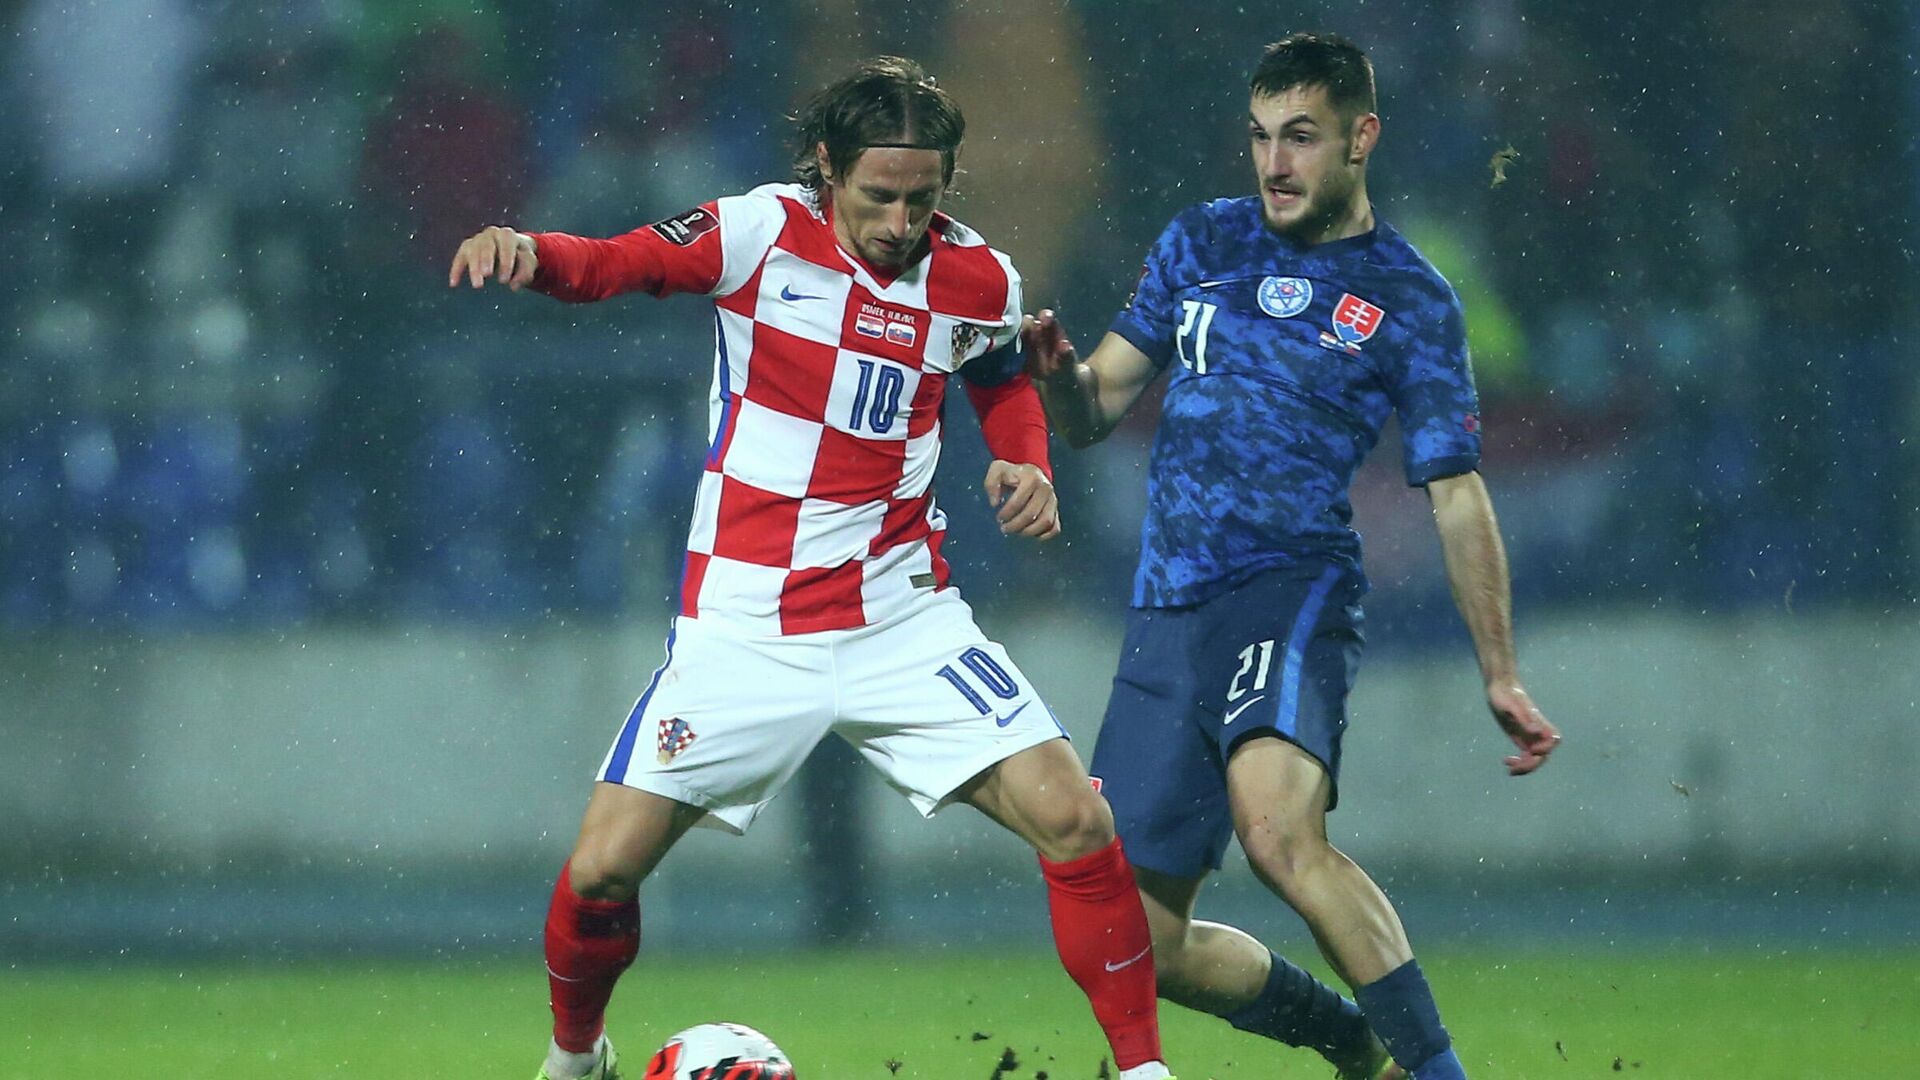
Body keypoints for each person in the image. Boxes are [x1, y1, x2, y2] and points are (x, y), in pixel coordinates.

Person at [446, 57, 1176, 1080]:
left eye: (923, 199)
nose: (898, 221)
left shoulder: (980, 276)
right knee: (603, 868)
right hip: (746, 621)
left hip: (900, 617)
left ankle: (1143, 1073)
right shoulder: (758, 232)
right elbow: (619, 263)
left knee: (1073, 814)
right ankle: (576, 1060)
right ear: (827, 168)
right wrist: (530, 251)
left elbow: (1000, 370)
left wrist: (1025, 457)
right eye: (878, 196)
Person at [1021, 33, 1563, 1080]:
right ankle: (1359, 1048)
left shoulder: (1411, 298)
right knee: (1136, 941)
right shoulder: (1201, 242)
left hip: (1291, 586)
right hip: (1166, 610)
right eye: (1262, 138)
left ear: (1362, 138)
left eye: (1301, 138)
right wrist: (1054, 380)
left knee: (1277, 836)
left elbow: (1456, 493)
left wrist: (1498, 667)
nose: (1275, 163)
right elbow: (1095, 408)